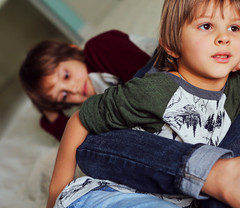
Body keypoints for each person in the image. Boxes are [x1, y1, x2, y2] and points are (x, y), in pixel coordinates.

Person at [48, 0, 240, 208]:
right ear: (171, 46)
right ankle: (221, 173)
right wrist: (55, 196)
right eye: (206, 26)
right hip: (111, 194)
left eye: (234, 28)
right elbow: (81, 119)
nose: (223, 37)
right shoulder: (156, 89)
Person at [19, 29, 151, 141]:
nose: (73, 89)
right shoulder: (94, 103)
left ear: (74, 51)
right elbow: (74, 138)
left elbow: (147, 82)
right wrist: (47, 107)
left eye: (66, 76)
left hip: (163, 72)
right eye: (64, 95)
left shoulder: (97, 48)